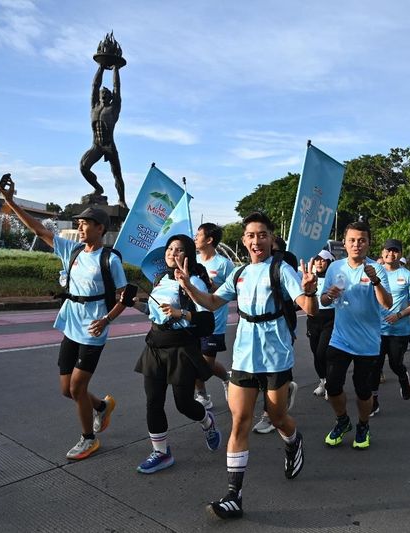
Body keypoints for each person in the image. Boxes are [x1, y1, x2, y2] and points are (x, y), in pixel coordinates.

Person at [174, 211, 318, 519]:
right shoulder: (239, 272)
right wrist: (188, 287)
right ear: (243, 240)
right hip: (243, 357)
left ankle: (294, 441)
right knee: (240, 420)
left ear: (271, 239)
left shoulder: (281, 269)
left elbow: (309, 309)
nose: (256, 240)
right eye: (251, 235)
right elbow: (213, 302)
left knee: (278, 417)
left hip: (276, 356)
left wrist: (310, 291)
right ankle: (233, 496)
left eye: (262, 235)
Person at [0, 175, 128, 460]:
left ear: (100, 228)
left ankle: (88, 439)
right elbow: (38, 229)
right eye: (79, 223)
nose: (80, 227)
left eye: (85, 223)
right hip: (71, 324)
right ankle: (102, 407)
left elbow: (124, 297)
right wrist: (11, 202)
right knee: (67, 390)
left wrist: (106, 320)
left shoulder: (110, 260)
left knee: (77, 387)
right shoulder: (73, 250)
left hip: (93, 330)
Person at [134, 235, 222, 474]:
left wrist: (180, 313)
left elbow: (207, 322)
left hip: (181, 349)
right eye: (170, 248)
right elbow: (155, 313)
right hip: (155, 346)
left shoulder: (194, 282)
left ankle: (207, 421)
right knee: (153, 401)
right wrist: (135, 304)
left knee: (184, 404)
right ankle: (161, 453)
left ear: (188, 255)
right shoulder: (160, 278)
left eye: (179, 249)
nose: (172, 253)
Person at [320, 222, 392, 449]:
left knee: (362, 390)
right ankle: (342, 420)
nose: (356, 244)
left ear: (369, 243)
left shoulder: (376, 269)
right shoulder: (335, 268)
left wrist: (376, 281)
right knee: (332, 386)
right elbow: (323, 301)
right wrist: (329, 296)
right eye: (352, 240)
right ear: (344, 243)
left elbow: (387, 304)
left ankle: (363, 425)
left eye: (362, 240)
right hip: (340, 339)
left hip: (367, 343)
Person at [252, 235, 299, 434]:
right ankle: (283, 389)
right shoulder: (252, 267)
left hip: (282, 324)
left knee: (273, 371)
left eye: (268, 244)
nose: (258, 245)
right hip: (255, 331)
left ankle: (269, 414)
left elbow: (298, 297)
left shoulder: (284, 264)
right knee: (260, 372)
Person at [370, 239, 410, 415]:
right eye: (388, 250)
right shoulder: (374, 273)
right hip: (376, 330)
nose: (391, 254)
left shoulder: (407, 276)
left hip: (399, 330)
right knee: (375, 366)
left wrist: (399, 315)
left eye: (395, 251)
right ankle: (374, 401)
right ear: (382, 252)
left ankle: (403, 377)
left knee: (395, 363)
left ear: (400, 254)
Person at [193, 223, 233, 409]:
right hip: (192, 319)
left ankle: (226, 378)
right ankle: (202, 395)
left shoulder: (224, 264)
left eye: (198, 235)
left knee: (205, 366)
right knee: (193, 361)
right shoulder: (192, 261)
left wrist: (212, 286)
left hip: (214, 322)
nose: (195, 238)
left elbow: (233, 291)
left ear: (209, 240)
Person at [80, 64, 127, 208]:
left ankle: (122, 200)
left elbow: (117, 87)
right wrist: (100, 67)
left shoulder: (114, 108)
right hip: (96, 145)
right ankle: (98, 188)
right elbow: (95, 85)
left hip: (109, 146)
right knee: (83, 166)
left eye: (107, 94)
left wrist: (116, 69)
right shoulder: (94, 107)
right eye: (102, 94)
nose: (104, 95)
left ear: (111, 97)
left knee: (116, 173)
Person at [307, 250, 335, 398]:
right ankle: (323, 382)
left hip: (330, 319)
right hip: (313, 319)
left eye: (323, 260)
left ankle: (330, 384)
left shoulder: (334, 278)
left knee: (322, 352)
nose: (319, 262)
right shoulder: (309, 277)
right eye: (317, 260)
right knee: (315, 354)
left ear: (329, 262)